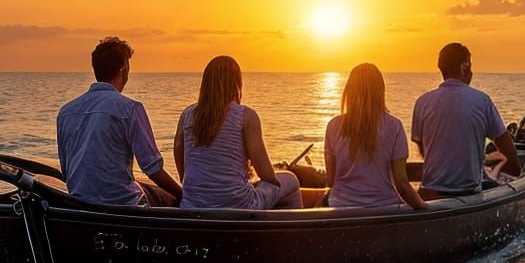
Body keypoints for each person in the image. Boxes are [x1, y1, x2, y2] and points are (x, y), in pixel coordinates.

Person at [55, 36, 182, 207]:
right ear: (124, 70)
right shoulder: (130, 108)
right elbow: (152, 168)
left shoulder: (66, 112)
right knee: (168, 198)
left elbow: (66, 170)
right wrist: (184, 194)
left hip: (80, 204)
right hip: (122, 204)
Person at [174, 55, 303, 210]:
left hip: (192, 205)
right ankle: (290, 224)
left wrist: (191, 186)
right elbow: (265, 174)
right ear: (237, 83)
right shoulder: (246, 116)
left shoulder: (187, 114)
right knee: (291, 180)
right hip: (239, 206)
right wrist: (274, 180)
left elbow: (178, 153)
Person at [410, 42, 521, 199]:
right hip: (469, 192)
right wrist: (510, 172)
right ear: (464, 67)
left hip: (430, 194)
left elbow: (424, 151)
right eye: (470, 66)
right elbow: (510, 155)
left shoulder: (422, 103)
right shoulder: (482, 101)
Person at [325, 63, 427, 211]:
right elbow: (401, 183)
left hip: (340, 206)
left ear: (349, 91)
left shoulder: (333, 126)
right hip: (384, 207)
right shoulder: (394, 126)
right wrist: (424, 207)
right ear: (380, 91)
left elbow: (331, 179)